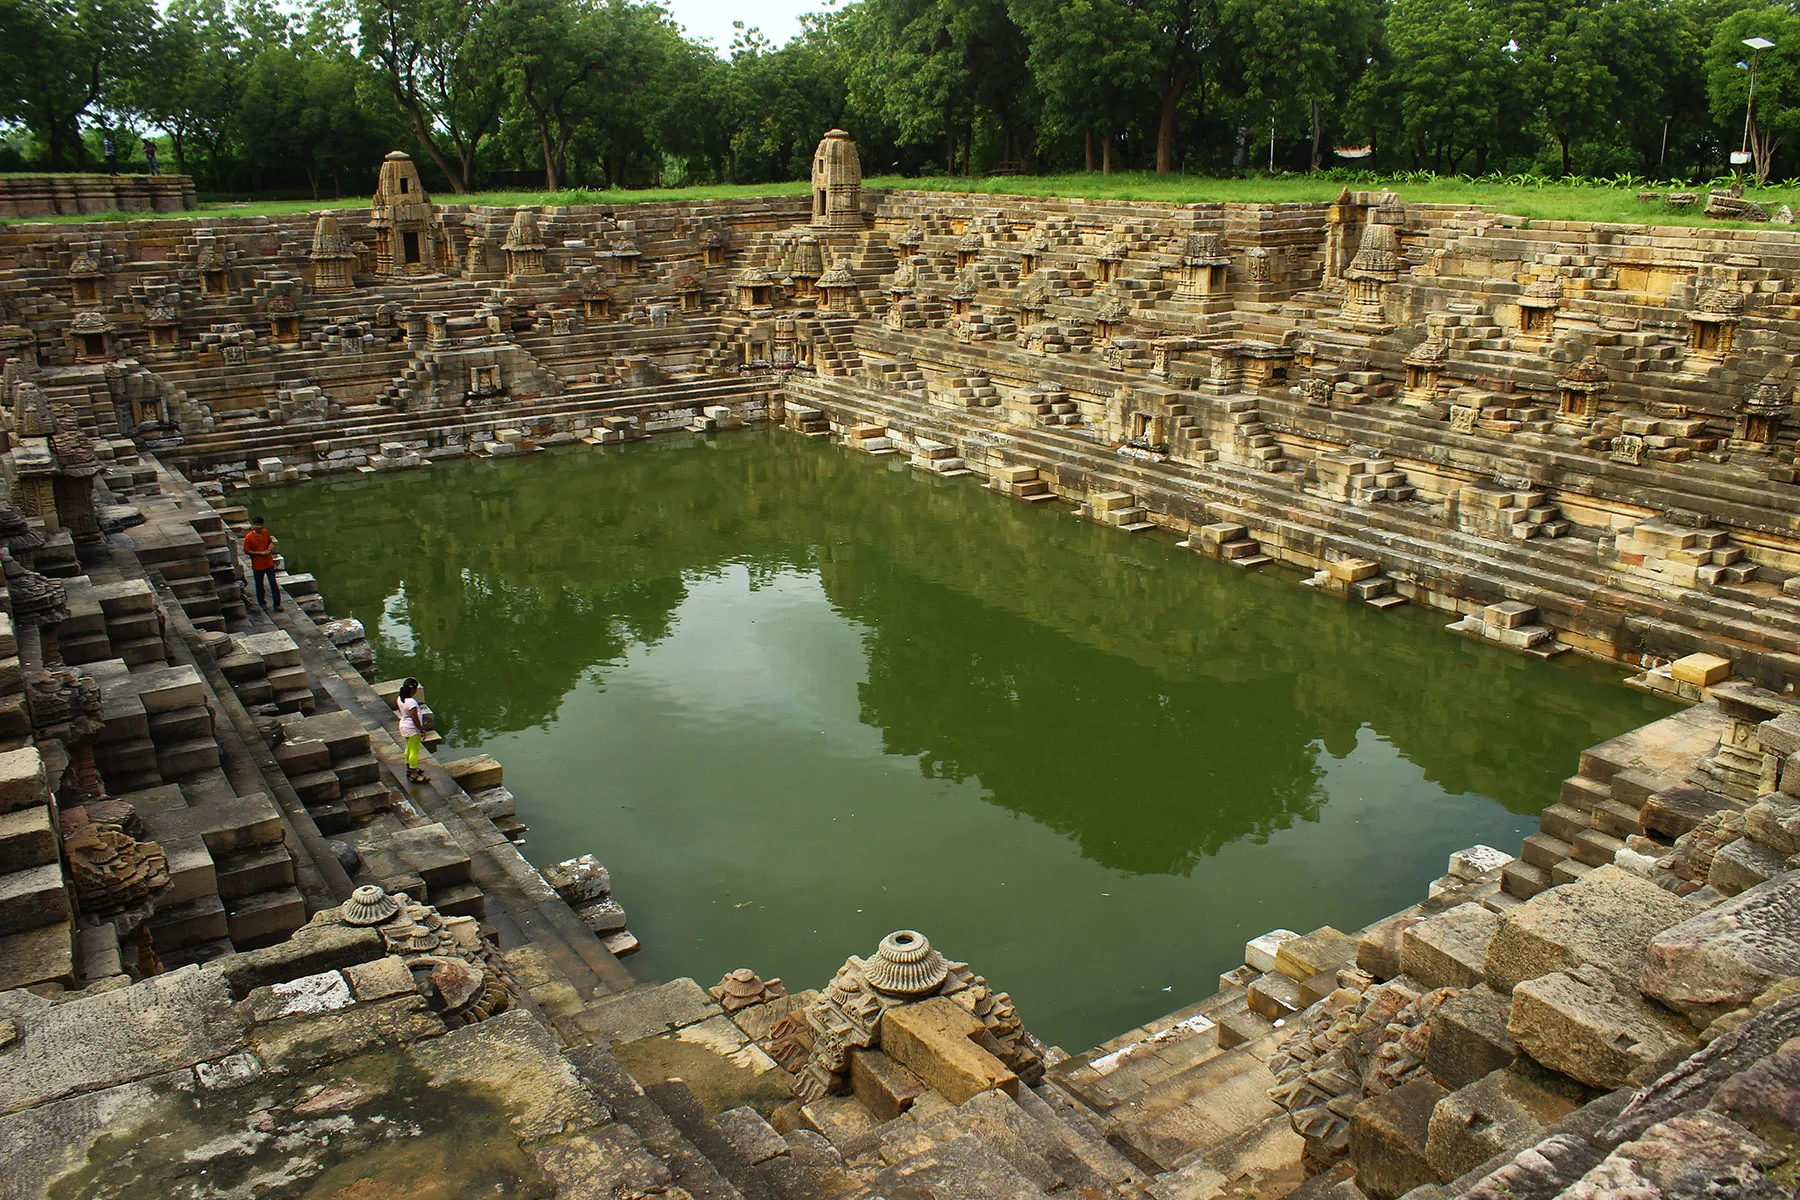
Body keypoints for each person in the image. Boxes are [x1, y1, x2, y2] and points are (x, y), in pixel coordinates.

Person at [243, 517, 280, 611]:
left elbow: (270, 542)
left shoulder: (265, 532)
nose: (259, 527)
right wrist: (260, 553)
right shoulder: (249, 537)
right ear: (253, 525)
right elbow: (247, 551)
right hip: (258, 565)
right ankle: (262, 603)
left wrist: (270, 548)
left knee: (273, 583)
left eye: (261, 525)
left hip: (269, 563)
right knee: (259, 585)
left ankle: (277, 604)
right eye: (257, 525)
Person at [398, 678, 426, 783]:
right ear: (413, 689)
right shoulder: (411, 702)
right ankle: (414, 773)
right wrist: (421, 729)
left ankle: (409, 768)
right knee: (414, 750)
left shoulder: (400, 698)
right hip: (412, 728)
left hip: (404, 726)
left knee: (408, 748)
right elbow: (415, 718)